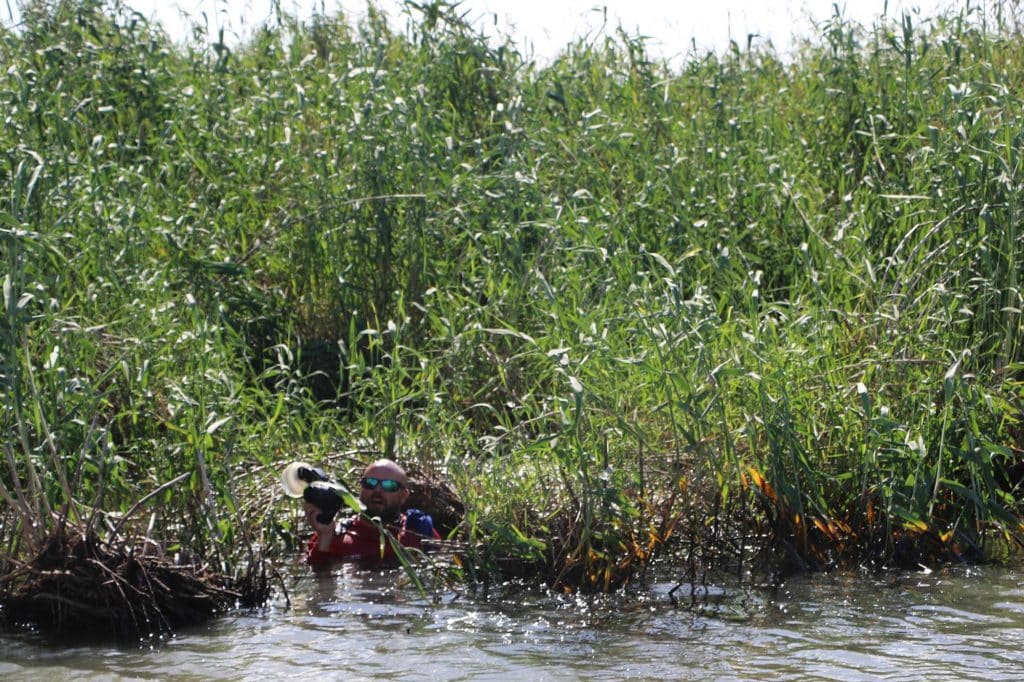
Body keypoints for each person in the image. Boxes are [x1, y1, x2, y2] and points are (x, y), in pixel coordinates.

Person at [305, 458, 440, 565]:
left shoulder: (419, 531)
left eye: (389, 486)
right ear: (361, 489)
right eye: (370, 483)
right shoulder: (333, 533)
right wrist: (325, 537)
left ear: (404, 496)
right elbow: (319, 581)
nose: (377, 491)